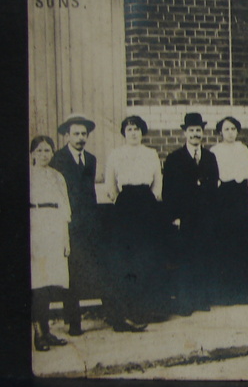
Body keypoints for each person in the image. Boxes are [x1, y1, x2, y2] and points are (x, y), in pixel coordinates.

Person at [104, 115, 163, 329]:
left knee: (145, 255)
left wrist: (152, 199)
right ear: (124, 133)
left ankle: (144, 310)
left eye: (137, 129)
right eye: (129, 129)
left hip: (146, 204)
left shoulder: (151, 153)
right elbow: (109, 184)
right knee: (126, 257)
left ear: (142, 132)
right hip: (126, 205)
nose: (133, 133)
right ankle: (123, 312)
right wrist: (119, 199)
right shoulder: (116, 154)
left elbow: (158, 182)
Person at [162, 113, 219, 313]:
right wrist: (174, 217)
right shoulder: (174, 158)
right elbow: (168, 191)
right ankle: (185, 302)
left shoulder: (210, 157)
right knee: (185, 259)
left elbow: (213, 186)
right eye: (191, 130)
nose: (195, 134)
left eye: (198, 130)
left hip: (204, 216)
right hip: (184, 217)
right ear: (184, 133)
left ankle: (201, 300)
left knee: (202, 257)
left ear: (203, 133)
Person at [48, 114, 98, 336]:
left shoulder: (91, 159)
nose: (80, 138)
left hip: (88, 224)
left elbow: (90, 193)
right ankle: (73, 321)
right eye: (76, 133)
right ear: (67, 135)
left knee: (90, 268)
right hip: (67, 224)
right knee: (71, 274)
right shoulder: (57, 159)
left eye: (83, 134)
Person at [29, 136, 74, 351]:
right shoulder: (28, 176)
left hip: (55, 229)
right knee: (37, 283)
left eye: (47, 150)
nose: (43, 155)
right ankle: (38, 333)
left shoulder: (58, 177)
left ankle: (47, 331)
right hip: (36, 227)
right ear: (32, 154)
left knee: (49, 283)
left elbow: (65, 210)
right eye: (39, 151)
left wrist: (65, 240)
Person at [210, 115, 248, 303]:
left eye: (233, 129)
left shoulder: (242, 148)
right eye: (226, 129)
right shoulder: (215, 151)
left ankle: (244, 290)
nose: (230, 133)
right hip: (225, 196)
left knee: (243, 241)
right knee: (226, 241)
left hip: (241, 195)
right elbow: (214, 178)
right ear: (220, 132)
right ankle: (227, 291)